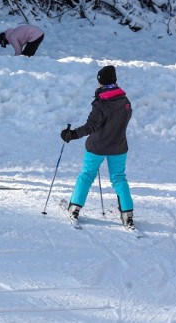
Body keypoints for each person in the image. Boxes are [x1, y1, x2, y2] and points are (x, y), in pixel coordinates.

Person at [60, 65, 135, 229]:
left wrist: (72, 134)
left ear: (101, 81)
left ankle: (74, 208)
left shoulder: (101, 104)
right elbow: (124, 119)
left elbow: (91, 126)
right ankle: (127, 213)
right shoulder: (125, 102)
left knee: (86, 175)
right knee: (119, 178)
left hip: (97, 147)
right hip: (119, 147)